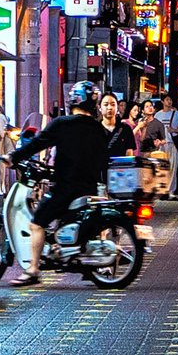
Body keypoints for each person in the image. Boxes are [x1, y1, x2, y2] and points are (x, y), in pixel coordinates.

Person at [10, 82, 112, 283]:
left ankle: (32, 269)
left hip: (67, 187)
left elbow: (36, 144)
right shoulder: (100, 130)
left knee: (37, 223)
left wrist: (14, 157)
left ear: (73, 100)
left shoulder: (61, 124)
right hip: (91, 187)